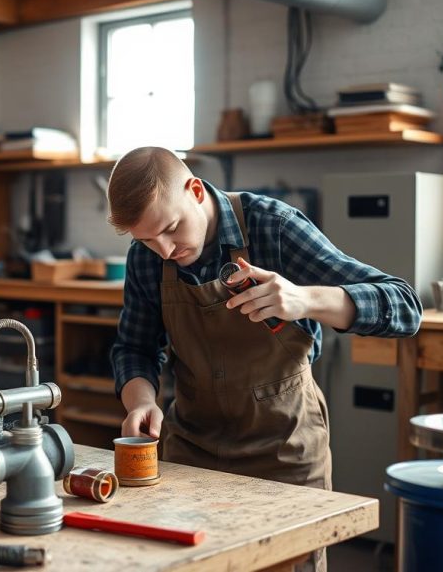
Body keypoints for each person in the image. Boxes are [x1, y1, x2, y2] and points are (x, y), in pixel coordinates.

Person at [107, 146, 422, 572]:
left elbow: (404, 308)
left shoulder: (273, 227)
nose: (163, 250)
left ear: (195, 191)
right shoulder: (147, 258)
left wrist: (304, 298)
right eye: (146, 239)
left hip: (284, 455)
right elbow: (135, 348)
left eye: (171, 229)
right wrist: (141, 401)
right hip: (192, 452)